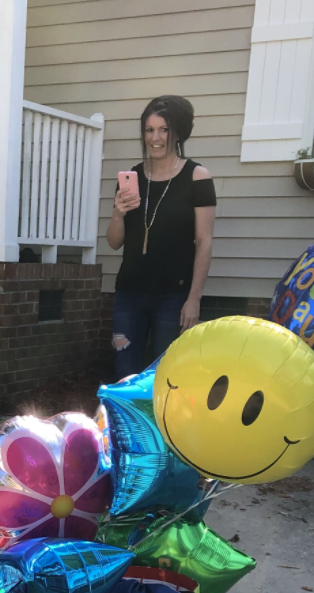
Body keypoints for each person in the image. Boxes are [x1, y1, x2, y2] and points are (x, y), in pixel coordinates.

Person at [106, 95, 216, 380]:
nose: (155, 138)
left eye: (163, 130)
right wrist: (118, 213)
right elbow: (114, 241)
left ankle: (162, 427)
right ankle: (126, 426)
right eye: (149, 130)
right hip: (129, 294)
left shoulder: (197, 177)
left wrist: (194, 299)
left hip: (173, 297)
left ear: (177, 133)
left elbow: (203, 242)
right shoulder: (131, 177)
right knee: (125, 374)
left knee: (168, 377)